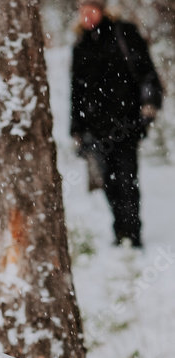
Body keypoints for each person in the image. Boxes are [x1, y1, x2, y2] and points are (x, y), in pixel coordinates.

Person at [70, 0, 163, 248]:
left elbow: (147, 72)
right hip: (96, 128)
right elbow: (76, 92)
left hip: (126, 124)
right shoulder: (81, 45)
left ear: (102, 10)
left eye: (90, 10)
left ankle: (133, 235)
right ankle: (119, 232)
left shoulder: (124, 33)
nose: (86, 15)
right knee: (110, 184)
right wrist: (76, 129)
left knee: (126, 180)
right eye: (82, 11)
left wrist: (149, 106)